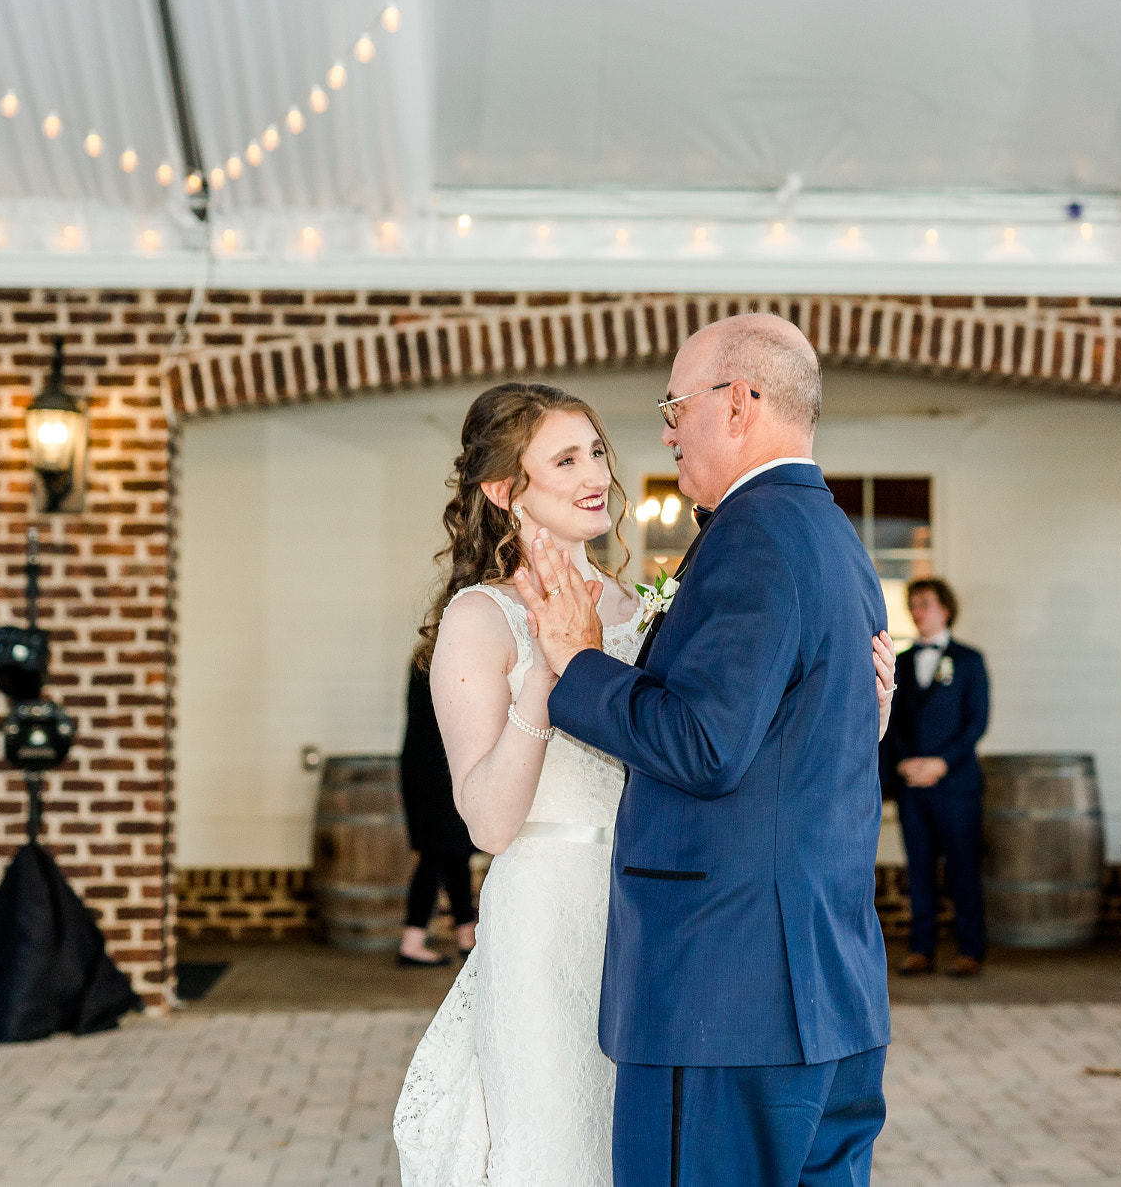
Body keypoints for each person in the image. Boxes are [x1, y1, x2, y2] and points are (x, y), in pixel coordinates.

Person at [518, 313, 897, 1187]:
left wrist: (576, 665)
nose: (664, 429)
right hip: (826, 996)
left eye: (675, 405)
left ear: (739, 404)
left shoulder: (753, 537)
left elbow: (703, 742)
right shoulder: (836, 538)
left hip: (725, 1001)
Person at [888, 576, 992, 977]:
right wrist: (903, 763)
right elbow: (891, 720)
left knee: (963, 867)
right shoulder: (901, 660)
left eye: (925, 603)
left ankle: (970, 949)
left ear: (945, 608)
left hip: (956, 784)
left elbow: (976, 723)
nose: (918, 611)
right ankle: (921, 948)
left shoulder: (969, 661)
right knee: (919, 869)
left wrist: (941, 763)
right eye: (913, 605)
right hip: (912, 784)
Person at [397, 658, 479, 966]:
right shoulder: (444, 662)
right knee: (435, 856)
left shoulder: (424, 661)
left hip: (427, 765)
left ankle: (467, 938)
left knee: (456, 855)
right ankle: (412, 942)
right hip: (438, 769)